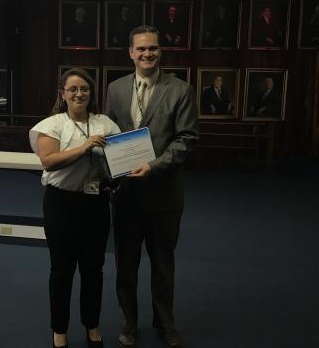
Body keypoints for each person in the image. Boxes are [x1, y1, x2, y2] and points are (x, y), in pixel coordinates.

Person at [105, 26, 199, 348]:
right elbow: (110, 134)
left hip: (164, 197)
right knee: (125, 267)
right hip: (126, 197)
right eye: (141, 49)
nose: (148, 54)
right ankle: (128, 325)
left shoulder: (180, 90)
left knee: (162, 266)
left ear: (161, 52)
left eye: (154, 49)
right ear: (130, 52)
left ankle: (165, 324)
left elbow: (187, 140)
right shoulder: (115, 89)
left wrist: (154, 166)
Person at [29, 68, 120, 348]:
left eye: (85, 89)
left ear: (92, 93)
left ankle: (92, 324)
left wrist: (122, 172)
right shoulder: (51, 124)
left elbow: (121, 160)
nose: (79, 94)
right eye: (73, 89)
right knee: (62, 270)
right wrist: (85, 146)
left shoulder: (105, 123)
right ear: (63, 94)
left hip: (96, 203)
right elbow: (49, 161)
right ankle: (59, 329)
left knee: (94, 269)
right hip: (61, 204)